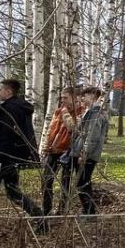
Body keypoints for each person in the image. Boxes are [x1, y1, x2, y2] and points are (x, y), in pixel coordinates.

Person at [0, 79, 44, 237]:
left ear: (8, 92)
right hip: (11, 158)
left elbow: (6, 136)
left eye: (1, 89)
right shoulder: (18, 107)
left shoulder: (10, 109)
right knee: (13, 193)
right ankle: (40, 218)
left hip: (4, 159)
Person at [71, 86, 110, 217]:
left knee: (83, 183)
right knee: (81, 183)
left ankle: (89, 212)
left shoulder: (96, 113)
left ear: (93, 95)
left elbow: (93, 136)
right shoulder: (90, 112)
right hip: (83, 152)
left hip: (88, 155)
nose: (82, 98)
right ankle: (87, 211)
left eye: (84, 95)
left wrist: (84, 153)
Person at [41, 87, 80, 215]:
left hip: (68, 151)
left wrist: (65, 113)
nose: (62, 100)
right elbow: (51, 130)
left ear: (74, 98)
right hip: (54, 150)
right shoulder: (58, 112)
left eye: (65, 98)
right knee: (46, 180)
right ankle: (46, 209)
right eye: (61, 98)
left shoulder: (80, 111)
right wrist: (46, 147)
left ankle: (62, 210)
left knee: (65, 182)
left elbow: (72, 128)